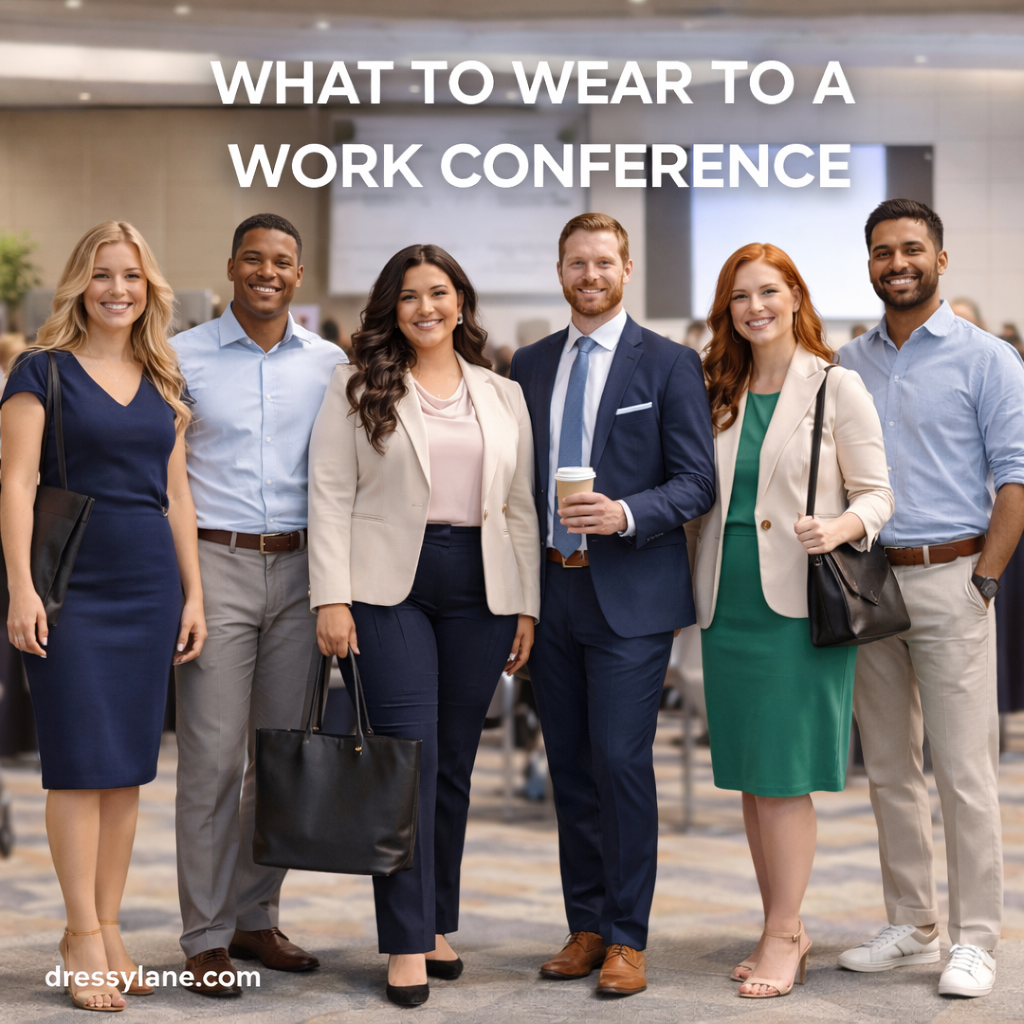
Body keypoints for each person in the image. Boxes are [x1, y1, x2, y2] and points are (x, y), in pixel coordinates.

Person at [309, 244, 539, 1007]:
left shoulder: (502, 394)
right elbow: (330, 494)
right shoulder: (357, 384)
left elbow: (518, 507)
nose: (426, 308)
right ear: (392, 308)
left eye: (439, 293)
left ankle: (437, 919)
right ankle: (406, 940)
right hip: (386, 589)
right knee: (407, 758)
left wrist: (527, 603)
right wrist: (330, 598)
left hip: (482, 587)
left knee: (454, 766)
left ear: (462, 302)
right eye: (409, 296)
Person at [0, 221, 205, 1010]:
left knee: (127, 772)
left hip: (149, 584)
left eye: (131, 276)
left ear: (149, 288)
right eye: (101, 275)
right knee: (80, 766)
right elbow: (16, 486)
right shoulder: (40, 370)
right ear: (78, 285)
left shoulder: (162, 378)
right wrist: (20, 588)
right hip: (70, 588)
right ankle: (80, 932)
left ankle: (109, 925)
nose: (117, 289)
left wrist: (193, 593)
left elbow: (178, 495)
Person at [509, 213, 715, 996]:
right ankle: (587, 925)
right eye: (576, 262)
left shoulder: (667, 364)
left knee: (621, 761)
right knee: (569, 766)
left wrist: (625, 512)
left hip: (630, 592)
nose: (589, 275)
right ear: (559, 269)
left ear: (626, 269)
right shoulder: (528, 365)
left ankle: (629, 935)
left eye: (603, 262)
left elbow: (696, 481)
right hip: (550, 589)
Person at [692, 243, 893, 999]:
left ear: (796, 297)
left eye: (769, 291)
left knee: (781, 780)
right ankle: (783, 922)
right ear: (727, 310)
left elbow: (878, 494)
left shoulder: (836, 386)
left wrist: (839, 528)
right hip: (726, 603)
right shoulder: (720, 388)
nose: (756, 307)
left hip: (797, 604)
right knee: (751, 779)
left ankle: (784, 933)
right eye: (740, 296)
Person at [837, 199, 1024, 999]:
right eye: (883, 252)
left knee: (964, 771)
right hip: (870, 580)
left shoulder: (990, 359)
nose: (897, 263)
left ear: (940, 259)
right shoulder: (846, 362)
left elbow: (1015, 480)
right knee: (887, 768)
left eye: (911, 249)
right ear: (871, 264)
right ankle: (914, 926)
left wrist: (984, 580)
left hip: (954, 576)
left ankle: (976, 937)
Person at [172, 213, 347, 995]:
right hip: (217, 566)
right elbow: (166, 478)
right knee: (212, 760)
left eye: (282, 261)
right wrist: (188, 588)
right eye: (253, 258)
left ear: (298, 275)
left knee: (277, 761)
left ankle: (255, 915)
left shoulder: (331, 364)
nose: (267, 271)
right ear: (233, 266)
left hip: (304, 570)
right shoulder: (183, 358)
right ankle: (205, 935)